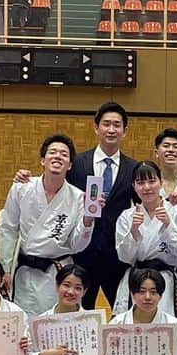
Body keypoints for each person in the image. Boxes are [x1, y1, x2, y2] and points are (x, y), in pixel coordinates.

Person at [1, 134, 95, 317]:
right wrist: (5, 269)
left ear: (70, 165)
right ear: (43, 160)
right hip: (26, 271)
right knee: (25, 324)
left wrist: (88, 220)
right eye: (52, 152)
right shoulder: (22, 188)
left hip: (58, 272)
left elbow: (77, 245)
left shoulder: (78, 197)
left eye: (64, 154)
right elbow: (8, 230)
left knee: (56, 325)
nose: (58, 156)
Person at [68, 102, 137, 309]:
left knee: (122, 313)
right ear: (96, 127)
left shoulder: (133, 168)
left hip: (116, 257)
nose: (111, 129)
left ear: (125, 131)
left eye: (117, 125)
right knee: (78, 313)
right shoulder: (77, 164)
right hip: (82, 254)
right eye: (106, 124)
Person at [114, 161, 177, 317]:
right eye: (140, 182)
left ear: (161, 183)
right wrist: (134, 232)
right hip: (136, 280)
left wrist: (168, 225)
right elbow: (125, 257)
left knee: (165, 328)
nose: (147, 187)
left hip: (165, 280)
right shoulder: (127, 216)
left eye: (151, 181)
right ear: (134, 186)